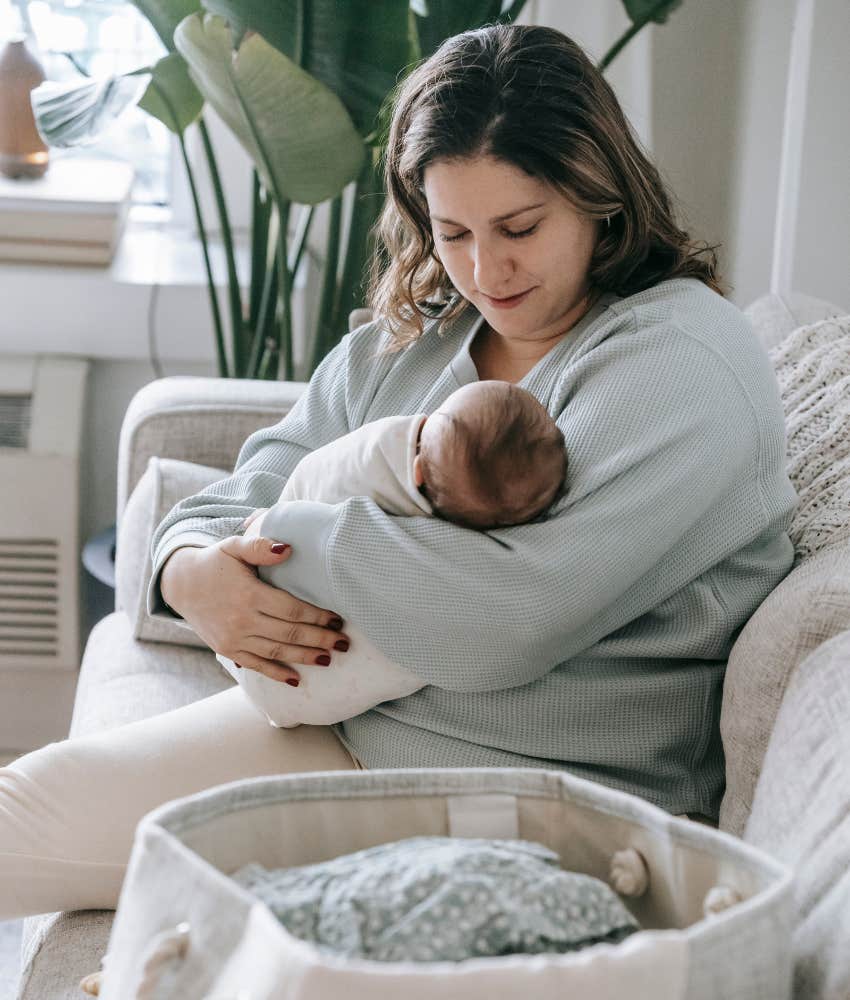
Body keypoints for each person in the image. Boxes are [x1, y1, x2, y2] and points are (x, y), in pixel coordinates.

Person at [0, 22, 797, 920]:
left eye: (520, 227)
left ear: (599, 195)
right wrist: (190, 574)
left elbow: (504, 619)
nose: (484, 269)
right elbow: (252, 481)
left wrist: (286, 540)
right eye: (452, 230)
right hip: (346, 728)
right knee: (18, 817)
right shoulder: (414, 338)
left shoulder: (680, 360)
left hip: (539, 794)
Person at [219, 379, 568, 729]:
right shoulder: (369, 362)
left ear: (416, 469)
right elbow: (254, 478)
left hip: (297, 680)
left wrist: (274, 521)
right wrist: (185, 563)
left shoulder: (381, 456)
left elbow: (316, 477)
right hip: (299, 679)